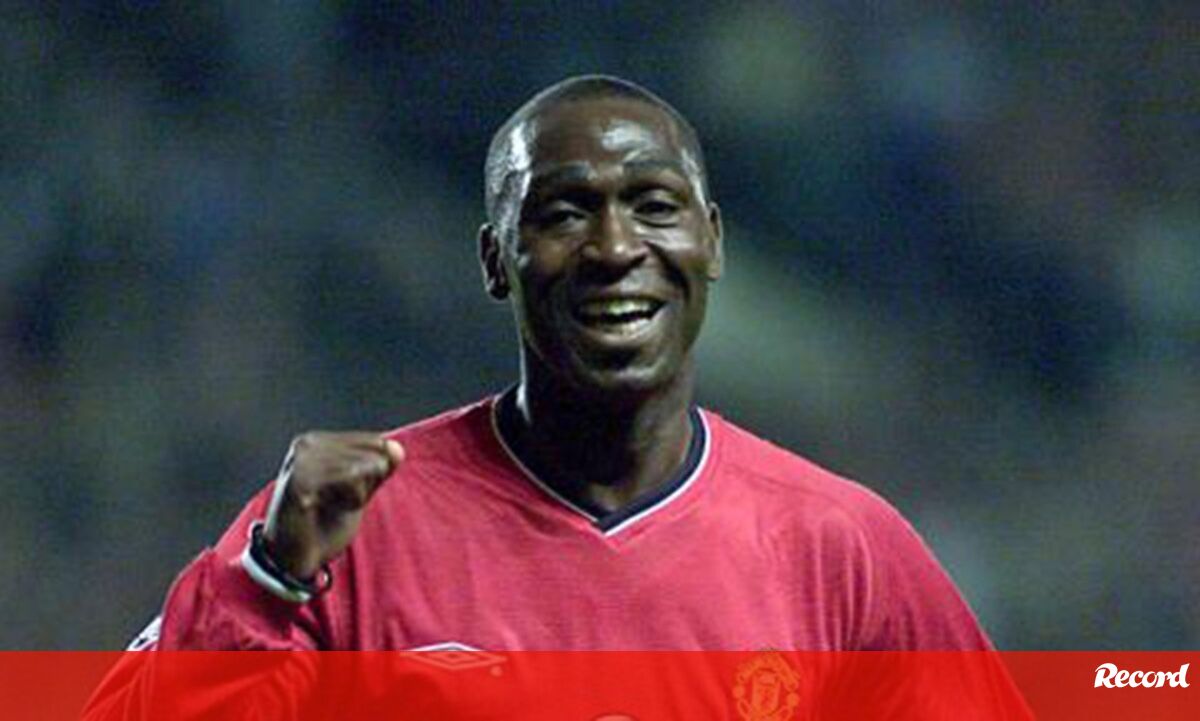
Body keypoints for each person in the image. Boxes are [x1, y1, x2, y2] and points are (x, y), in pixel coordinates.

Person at [87, 75, 1023, 719]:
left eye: (654, 205)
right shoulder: (345, 530)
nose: (614, 247)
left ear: (712, 242)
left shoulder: (840, 551)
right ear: (496, 259)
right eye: (565, 211)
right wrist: (266, 580)